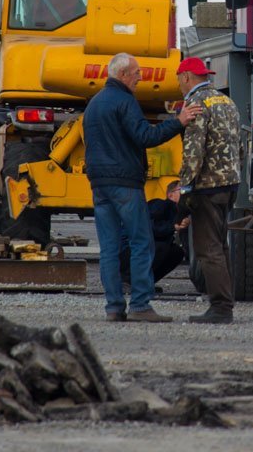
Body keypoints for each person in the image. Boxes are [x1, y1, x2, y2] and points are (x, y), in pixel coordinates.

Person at [84, 52, 201, 323]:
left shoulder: (95, 104)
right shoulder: (125, 101)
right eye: (136, 72)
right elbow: (145, 137)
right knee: (141, 242)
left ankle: (114, 307)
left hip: (100, 186)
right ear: (123, 74)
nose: (141, 77)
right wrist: (179, 121)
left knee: (110, 247)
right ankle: (140, 305)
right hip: (124, 183)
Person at [175, 57, 242, 324]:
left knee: (208, 248)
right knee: (221, 245)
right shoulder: (227, 102)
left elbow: (193, 152)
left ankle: (221, 307)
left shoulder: (195, 105)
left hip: (207, 186)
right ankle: (226, 300)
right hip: (230, 183)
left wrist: (185, 189)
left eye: (179, 78)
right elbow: (239, 144)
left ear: (186, 77)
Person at [119, 180, 188, 286]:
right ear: (171, 195)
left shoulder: (178, 213)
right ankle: (126, 280)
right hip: (128, 249)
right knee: (161, 247)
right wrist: (172, 226)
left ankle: (145, 283)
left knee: (177, 252)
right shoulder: (161, 205)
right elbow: (146, 227)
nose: (186, 193)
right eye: (182, 190)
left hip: (139, 251)